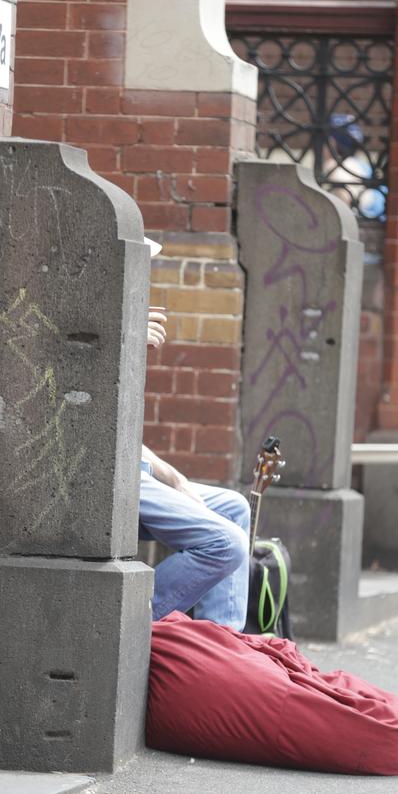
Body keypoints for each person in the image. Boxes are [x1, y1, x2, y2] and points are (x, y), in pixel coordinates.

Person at [139, 238, 250, 631]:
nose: (145, 273)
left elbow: (125, 432)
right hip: (105, 478)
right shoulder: (95, 320)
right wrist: (123, 336)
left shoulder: (122, 319)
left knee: (232, 506)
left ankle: (224, 645)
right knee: (226, 543)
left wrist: (173, 475)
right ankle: (130, 624)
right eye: (139, 262)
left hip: (135, 470)